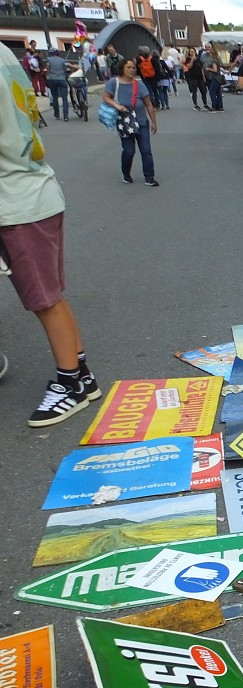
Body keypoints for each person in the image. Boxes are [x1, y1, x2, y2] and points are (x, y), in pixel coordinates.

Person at [0, 42, 100, 427]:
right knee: (51, 297)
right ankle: (80, 374)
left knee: (44, 299)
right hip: (32, 191)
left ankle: (70, 383)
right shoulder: (7, 55)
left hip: (17, 200)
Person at [103, 58, 159, 186]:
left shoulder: (139, 84)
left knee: (146, 150)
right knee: (129, 151)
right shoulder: (114, 83)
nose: (132, 70)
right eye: (129, 67)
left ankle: (149, 177)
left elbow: (149, 104)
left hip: (141, 123)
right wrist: (116, 105)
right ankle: (126, 173)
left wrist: (153, 122)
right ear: (122, 68)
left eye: (133, 67)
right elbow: (106, 97)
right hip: (125, 123)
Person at [44, 48, 71, 120]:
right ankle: (66, 116)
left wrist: (47, 76)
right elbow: (65, 70)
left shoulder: (48, 59)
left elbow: (48, 68)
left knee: (55, 97)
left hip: (52, 79)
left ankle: (57, 114)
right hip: (62, 79)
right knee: (64, 98)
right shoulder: (62, 60)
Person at [200, 44, 224, 112]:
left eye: (209, 47)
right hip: (208, 77)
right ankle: (219, 107)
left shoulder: (215, 57)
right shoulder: (203, 57)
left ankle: (215, 106)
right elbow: (201, 67)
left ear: (212, 49)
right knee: (216, 92)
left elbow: (219, 66)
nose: (207, 49)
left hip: (215, 77)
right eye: (206, 47)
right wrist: (203, 76)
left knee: (213, 92)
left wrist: (209, 68)